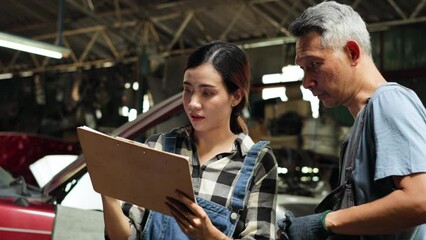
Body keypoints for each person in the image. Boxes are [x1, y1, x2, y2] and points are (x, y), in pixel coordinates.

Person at [277, 1, 426, 240]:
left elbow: (420, 199)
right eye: (303, 69)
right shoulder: (362, 123)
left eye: (314, 65)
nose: (306, 82)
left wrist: (325, 222)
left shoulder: (389, 101)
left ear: (352, 53)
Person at [102, 40, 278, 240]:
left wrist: (209, 236)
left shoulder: (257, 163)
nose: (193, 103)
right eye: (188, 90)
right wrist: (108, 189)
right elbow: (126, 236)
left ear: (235, 96)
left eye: (207, 93)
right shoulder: (159, 148)